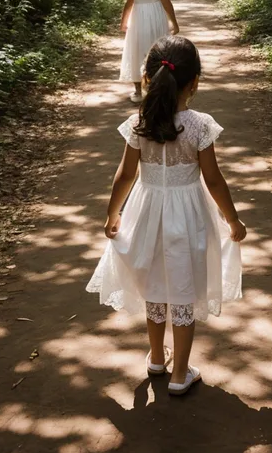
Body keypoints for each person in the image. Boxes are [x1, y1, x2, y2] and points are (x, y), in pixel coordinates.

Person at [87, 35, 246, 396]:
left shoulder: (138, 121)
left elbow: (125, 176)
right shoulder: (200, 125)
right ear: (194, 83)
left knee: (156, 287)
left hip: (146, 212)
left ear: (147, 78)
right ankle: (180, 374)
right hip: (187, 214)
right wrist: (232, 219)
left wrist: (114, 214)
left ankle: (157, 358)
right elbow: (214, 180)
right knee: (183, 291)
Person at [119, 0, 179, 103]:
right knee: (158, 51)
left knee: (137, 51)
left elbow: (129, 3)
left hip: (138, 19)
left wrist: (124, 22)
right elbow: (167, 3)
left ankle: (138, 92)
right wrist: (174, 22)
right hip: (157, 18)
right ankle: (158, 89)